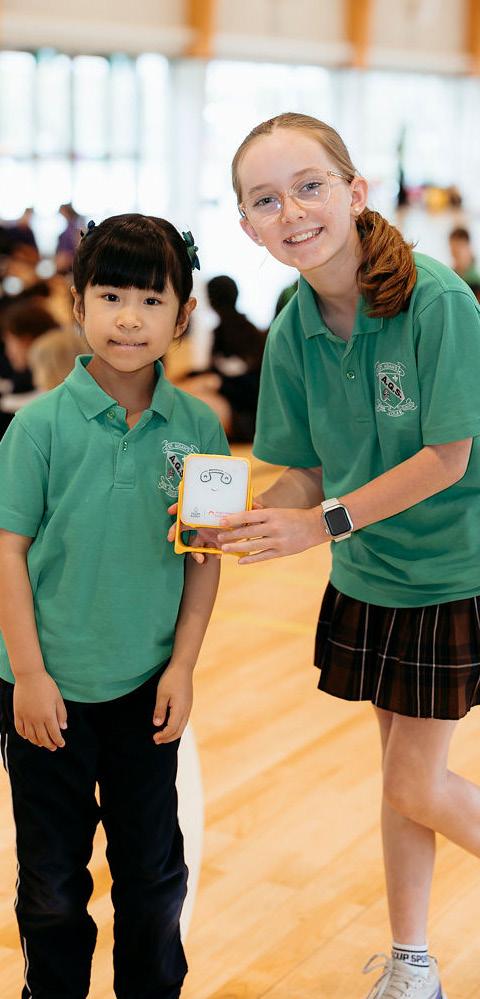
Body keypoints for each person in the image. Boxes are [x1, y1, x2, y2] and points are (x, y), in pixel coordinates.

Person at [215, 113, 480, 998]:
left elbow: (447, 458)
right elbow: (304, 468)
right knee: (405, 780)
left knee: (415, 781)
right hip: (368, 577)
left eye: (310, 186)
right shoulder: (293, 326)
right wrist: (260, 515)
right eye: (266, 200)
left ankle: (414, 961)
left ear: (355, 191)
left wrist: (321, 522)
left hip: (449, 576)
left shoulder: (438, 302)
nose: (291, 212)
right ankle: (413, 960)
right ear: (247, 225)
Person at [0, 213, 228, 999]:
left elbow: (203, 558)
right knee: (53, 884)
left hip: (146, 691)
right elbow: (7, 553)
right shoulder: (37, 428)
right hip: (46, 696)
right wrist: (30, 673)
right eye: (111, 295)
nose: (130, 317)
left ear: (182, 314)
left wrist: (184, 665)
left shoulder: (199, 428)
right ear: (77, 304)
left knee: (154, 875)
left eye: (152, 299)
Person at [177, 274, 265, 441]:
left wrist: (218, 382)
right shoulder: (223, 332)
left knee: (192, 401)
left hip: (249, 416)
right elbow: (213, 371)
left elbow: (256, 384)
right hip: (234, 405)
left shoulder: (247, 333)